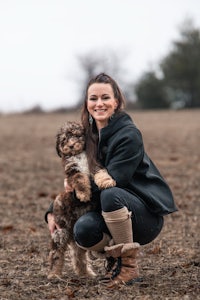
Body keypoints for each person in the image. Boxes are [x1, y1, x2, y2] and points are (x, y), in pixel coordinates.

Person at [45, 73, 177, 288]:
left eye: (105, 98)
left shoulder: (128, 135)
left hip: (142, 217)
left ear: (116, 102)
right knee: (83, 230)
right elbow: (75, 177)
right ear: (86, 103)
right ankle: (113, 260)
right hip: (107, 211)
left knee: (110, 192)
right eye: (93, 98)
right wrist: (52, 211)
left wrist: (78, 188)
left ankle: (128, 267)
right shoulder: (84, 135)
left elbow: (116, 180)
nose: (99, 104)